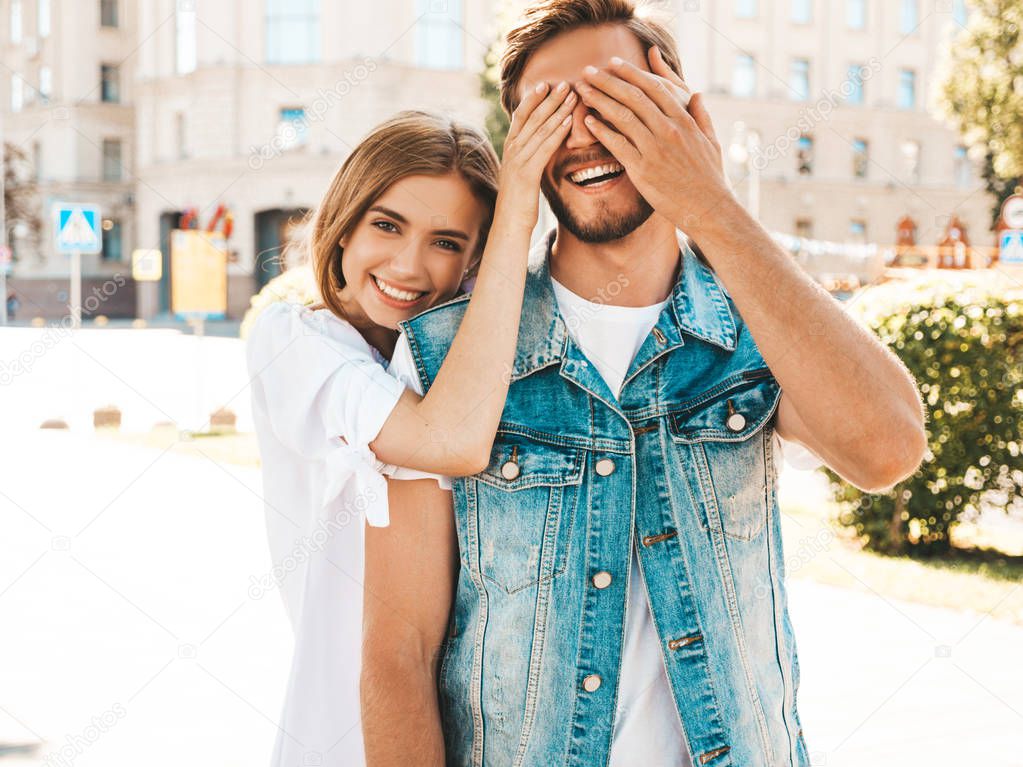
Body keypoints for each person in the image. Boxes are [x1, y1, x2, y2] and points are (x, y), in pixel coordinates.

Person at [362, 2, 928, 766]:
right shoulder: (443, 353)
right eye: (552, 111)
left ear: (682, 114)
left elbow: (886, 450)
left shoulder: (758, 319)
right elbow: (400, 649)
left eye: (616, 100)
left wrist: (709, 202)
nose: (586, 133)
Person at [246, 99, 575, 767]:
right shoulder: (294, 341)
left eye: (446, 242)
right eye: (386, 226)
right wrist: (514, 218)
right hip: (346, 727)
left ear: (473, 261)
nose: (407, 265)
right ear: (344, 225)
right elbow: (443, 444)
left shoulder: (460, 357)